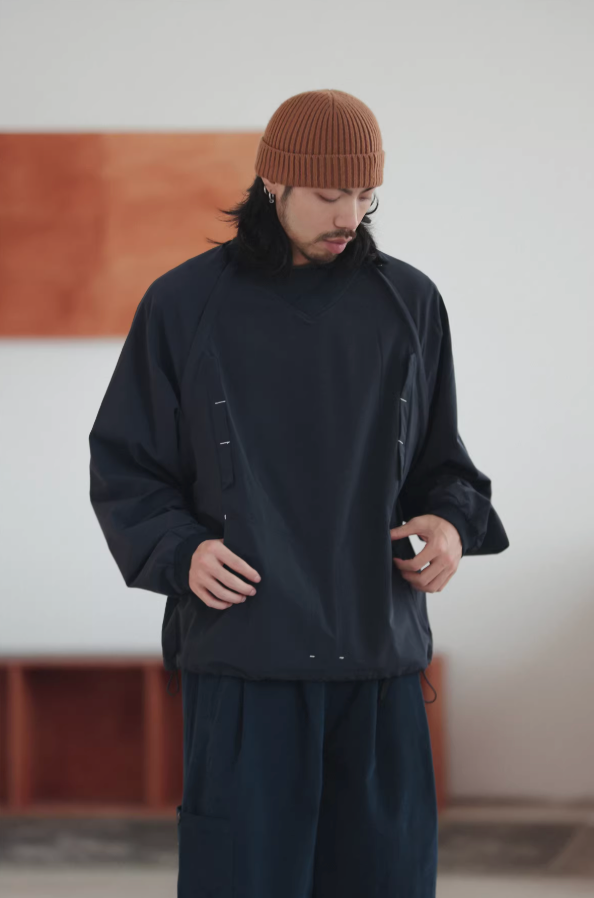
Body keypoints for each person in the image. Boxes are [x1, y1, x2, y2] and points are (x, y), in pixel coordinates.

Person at [89, 88, 509, 898]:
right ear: (273, 182)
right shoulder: (183, 304)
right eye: (328, 194)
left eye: (366, 195)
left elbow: (444, 464)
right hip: (245, 659)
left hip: (378, 661)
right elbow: (126, 465)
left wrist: (451, 526)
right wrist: (182, 552)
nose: (350, 216)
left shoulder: (409, 303)